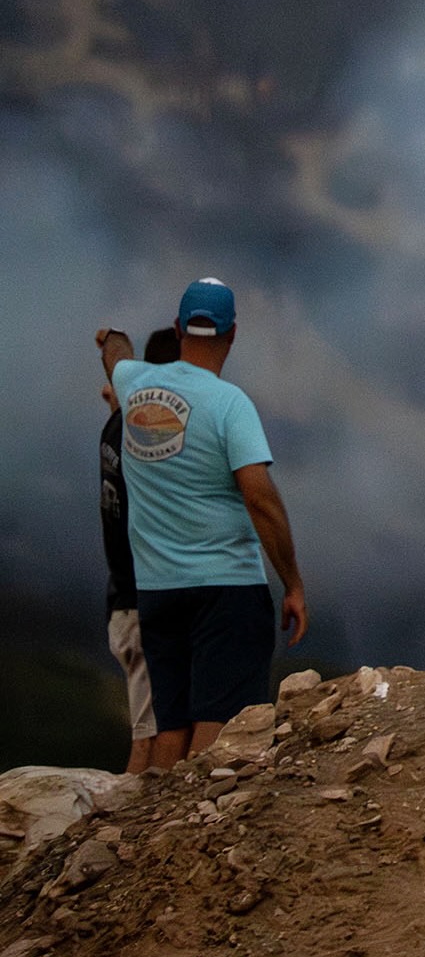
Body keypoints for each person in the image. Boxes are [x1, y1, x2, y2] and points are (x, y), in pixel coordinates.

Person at [95, 280, 308, 767]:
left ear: (176, 328)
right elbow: (260, 498)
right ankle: (200, 832)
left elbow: (117, 356)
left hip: (157, 593)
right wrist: (292, 583)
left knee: (170, 729)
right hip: (226, 590)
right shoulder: (231, 405)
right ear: (232, 335)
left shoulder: (133, 386)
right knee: (218, 729)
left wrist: (110, 336)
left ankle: (158, 838)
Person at [96, 327, 180, 774]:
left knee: (152, 732)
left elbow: (117, 361)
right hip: (143, 604)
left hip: (122, 603)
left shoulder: (115, 425)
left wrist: (111, 341)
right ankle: (123, 835)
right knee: (149, 747)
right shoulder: (153, 434)